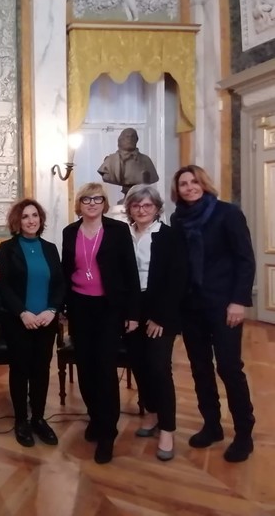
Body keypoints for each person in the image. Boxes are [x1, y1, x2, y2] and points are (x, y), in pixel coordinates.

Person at [170, 165, 256, 462]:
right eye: (183, 183)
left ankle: (244, 433)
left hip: (223, 305)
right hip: (191, 307)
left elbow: (245, 259)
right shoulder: (177, 219)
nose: (190, 187)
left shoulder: (227, 213)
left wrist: (238, 301)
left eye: (194, 181)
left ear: (204, 183)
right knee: (200, 368)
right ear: (177, 189)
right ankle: (212, 425)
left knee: (230, 368)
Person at [61, 183, 141, 464]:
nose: (92, 203)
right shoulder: (69, 232)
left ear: (104, 203)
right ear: (79, 203)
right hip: (80, 307)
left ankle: (108, 432)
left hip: (109, 309)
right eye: (86, 199)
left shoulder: (118, 231)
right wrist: (61, 307)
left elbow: (130, 273)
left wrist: (132, 314)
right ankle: (95, 417)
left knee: (105, 370)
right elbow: (65, 271)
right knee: (85, 368)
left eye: (98, 199)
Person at [122, 185, 187, 461]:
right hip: (133, 308)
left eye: (147, 206)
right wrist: (130, 314)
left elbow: (178, 280)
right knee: (138, 364)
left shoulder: (170, 236)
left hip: (162, 308)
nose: (142, 210)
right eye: (136, 206)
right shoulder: (124, 236)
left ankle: (168, 429)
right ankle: (151, 413)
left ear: (157, 208)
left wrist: (160, 317)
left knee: (159, 367)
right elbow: (124, 278)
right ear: (130, 210)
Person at [0, 199, 65, 448]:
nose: (31, 220)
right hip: (19, 322)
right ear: (17, 221)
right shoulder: (7, 248)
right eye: (25, 216)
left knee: (41, 371)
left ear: (41, 219)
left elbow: (59, 283)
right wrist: (22, 313)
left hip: (46, 321)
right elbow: (2, 285)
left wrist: (52, 309)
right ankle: (21, 421)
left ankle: (38, 418)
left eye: (34, 215)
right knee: (20, 371)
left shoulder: (50, 248)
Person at [97, 128, 159, 201]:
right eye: (127, 136)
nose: (130, 139)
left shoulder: (146, 160)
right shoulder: (111, 160)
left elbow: (153, 178)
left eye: (133, 137)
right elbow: (106, 177)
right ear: (121, 140)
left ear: (136, 140)